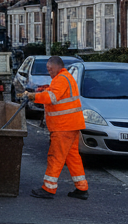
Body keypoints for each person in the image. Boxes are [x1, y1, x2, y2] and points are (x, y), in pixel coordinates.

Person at [27, 55, 88, 200]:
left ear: (57, 66)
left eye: (50, 69)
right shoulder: (66, 77)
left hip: (63, 126)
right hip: (72, 125)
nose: (49, 72)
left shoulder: (61, 79)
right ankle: (82, 188)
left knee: (56, 156)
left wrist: (33, 96)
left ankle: (48, 188)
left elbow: (51, 98)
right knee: (72, 157)